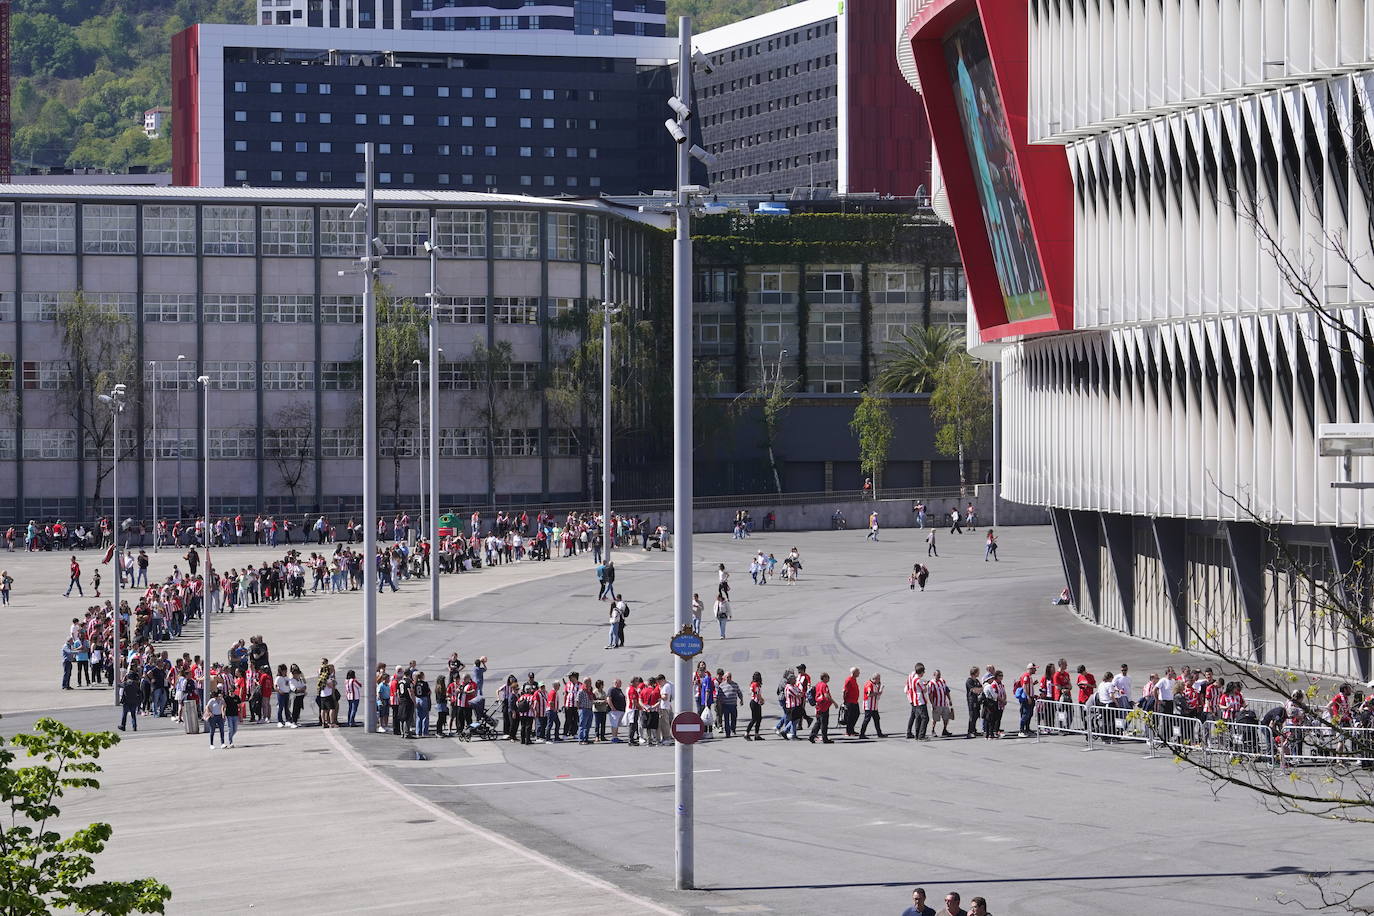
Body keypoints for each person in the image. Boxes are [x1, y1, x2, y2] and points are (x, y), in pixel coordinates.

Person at [808, 672, 834, 743]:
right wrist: (834, 702)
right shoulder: (824, 685)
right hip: (824, 706)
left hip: (818, 705)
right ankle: (825, 738)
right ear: (824, 678)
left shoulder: (818, 684)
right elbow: (826, 695)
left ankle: (812, 736)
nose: (829, 679)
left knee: (818, 722)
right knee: (824, 723)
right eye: (828, 677)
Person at [859, 672, 886, 738]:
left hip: (874, 706)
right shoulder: (869, 684)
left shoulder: (875, 684)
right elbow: (869, 694)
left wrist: (879, 688)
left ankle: (879, 733)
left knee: (877, 719)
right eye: (878, 679)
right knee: (867, 719)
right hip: (869, 706)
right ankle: (862, 734)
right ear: (875, 678)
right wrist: (877, 693)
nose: (879, 680)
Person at [745, 671, 766, 740]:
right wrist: (762, 700)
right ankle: (746, 733)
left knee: (759, 718)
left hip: (755, 702)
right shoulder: (755, 684)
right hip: (755, 702)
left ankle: (756, 734)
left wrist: (761, 700)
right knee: (754, 719)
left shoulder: (754, 684)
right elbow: (757, 694)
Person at [842, 667, 861, 736]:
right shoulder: (849, 680)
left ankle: (851, 730)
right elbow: (844, 691)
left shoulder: (854, 679)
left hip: (855, 701)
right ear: (854, 673)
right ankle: (848, 731)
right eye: (858, 672)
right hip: (850, 701)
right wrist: (845, 701)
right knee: (850, 716)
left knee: (856, 714)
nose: (859, 673)